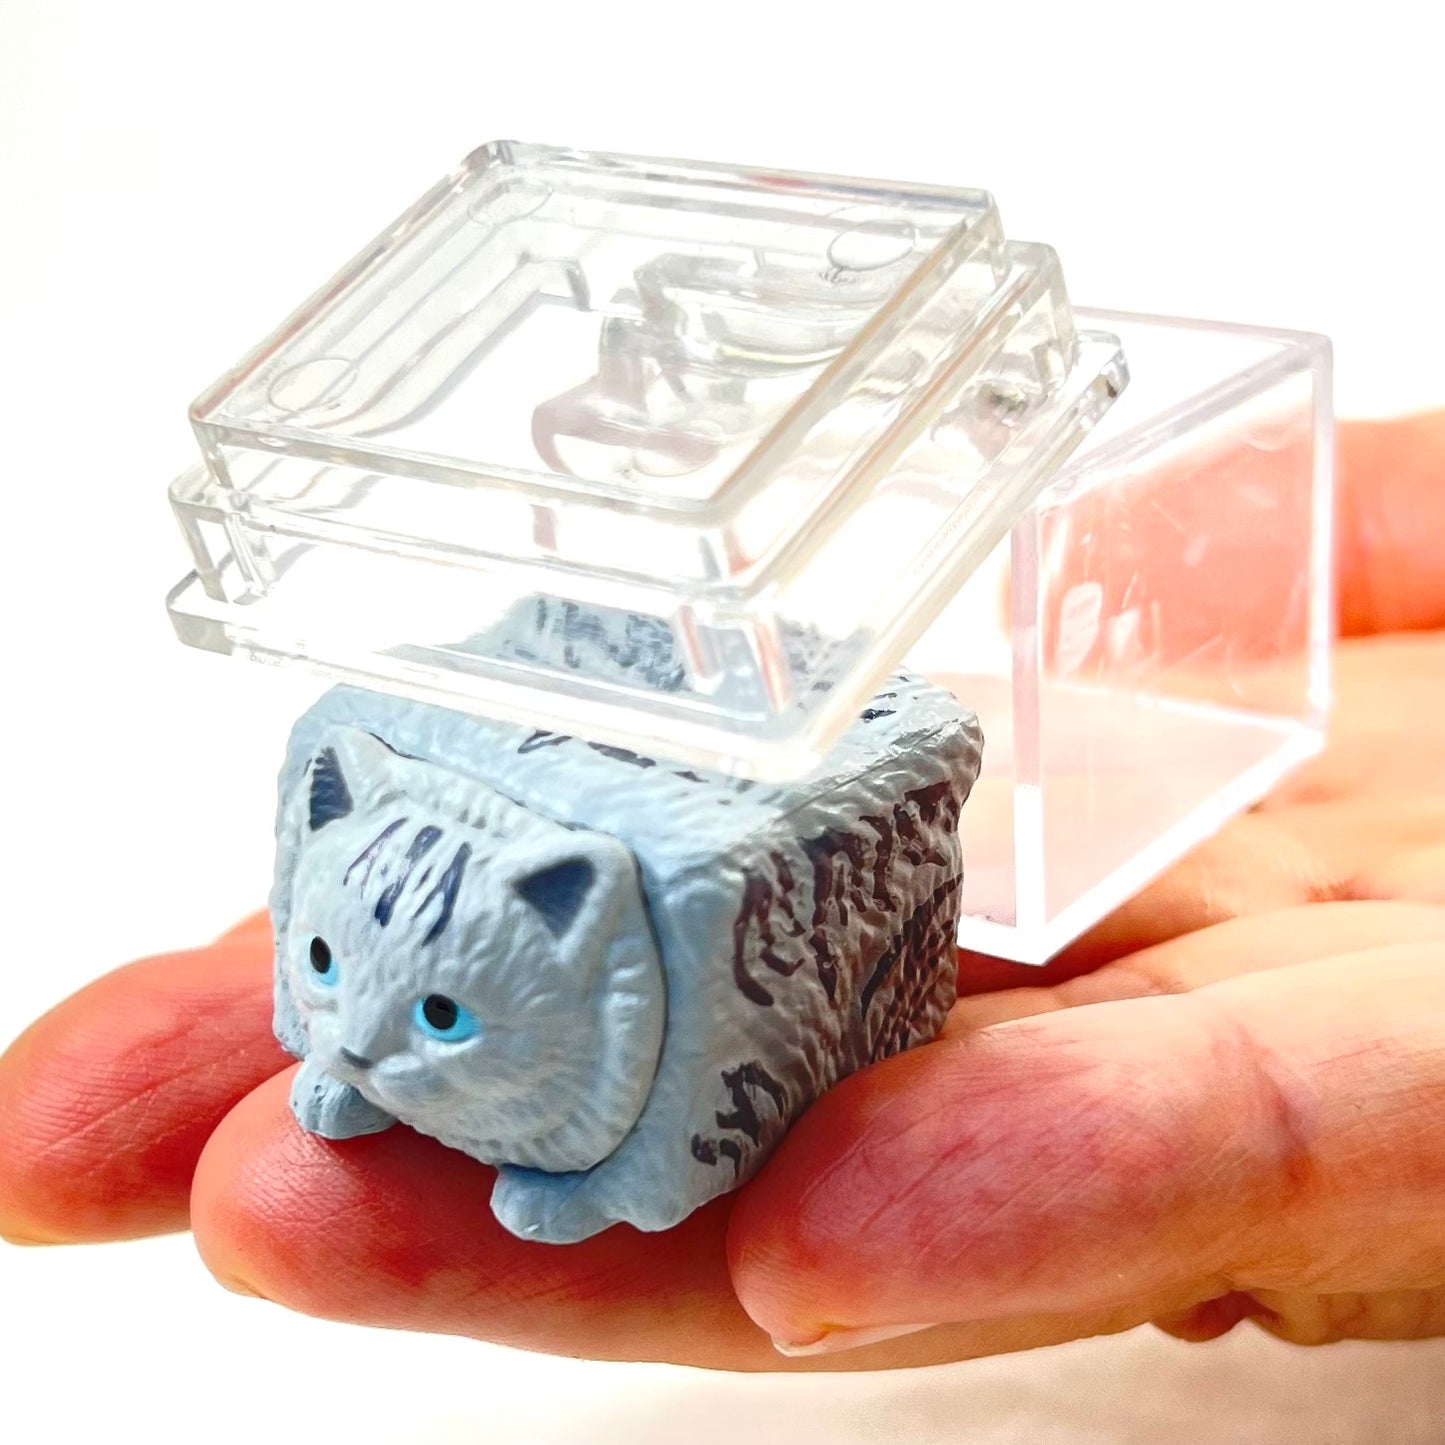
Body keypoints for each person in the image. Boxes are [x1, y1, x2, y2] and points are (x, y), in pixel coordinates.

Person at [0, 413, 1440, 1373]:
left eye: (439, 1016)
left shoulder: (651, 894)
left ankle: (631, 1165)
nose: (366, 1037)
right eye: (322, 967)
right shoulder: (367, 773)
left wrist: (627, 1151)